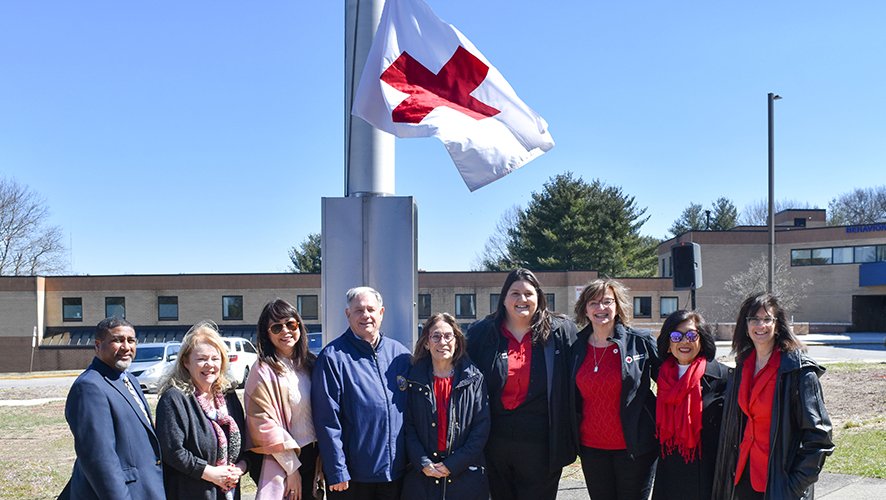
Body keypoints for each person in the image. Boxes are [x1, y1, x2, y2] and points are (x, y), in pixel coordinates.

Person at [466, 268, 577, 500]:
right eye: (515, 293)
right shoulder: (481, 333)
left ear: (539, 298)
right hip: (494, 441)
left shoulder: (560, 331)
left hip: (542, 443)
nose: (522, 299)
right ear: (504, 298)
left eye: (528, 293)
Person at [713, 293, 834, 500]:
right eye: (754, 319)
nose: (760, 325)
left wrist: (794, 486)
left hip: (779, 483)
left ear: (778, 326)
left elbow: (819, 438)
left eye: (767, 319)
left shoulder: (798, 371)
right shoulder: (743, 367)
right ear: (745, 325)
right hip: (743, 477)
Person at [312, 286, 412, 499]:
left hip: (397, 473)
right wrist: (337, 470)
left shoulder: (401, 356)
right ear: (348, 314)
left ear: (381, 313)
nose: (366, 315)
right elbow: (327, 420)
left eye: (371, 309)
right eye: (358, 310)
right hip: (353, 478)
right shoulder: (333, 358)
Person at [570, 278, 660, 500]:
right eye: (593, 302)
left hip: (635, 448)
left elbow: (669, 381)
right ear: (585, 309)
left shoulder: (640, 342)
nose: (601, 308)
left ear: (618, 306)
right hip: (592, 449)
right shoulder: (574, 347)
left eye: (607, 301)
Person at [62, 317, 164, 500]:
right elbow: (100, 460)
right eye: (117, 340)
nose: (126, 347)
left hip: (145, 488)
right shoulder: (89, 387)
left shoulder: (128, 379)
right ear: (98, 345)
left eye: (131, 340)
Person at [156, 321, 249, 500]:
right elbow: (173, 452)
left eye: (215, 358)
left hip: (228, 492)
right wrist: (211, 474)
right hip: (190, 492)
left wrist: (240, 469)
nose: (209, 364)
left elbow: (245, 446)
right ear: (186, 362)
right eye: (201, 359)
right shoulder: (174, 399)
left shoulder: (228, 396)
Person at [402, 313, 491, 500]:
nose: (442, 342)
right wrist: (422, 462)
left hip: (465, 476)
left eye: (448, 336)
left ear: (457, 341)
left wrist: (454, 464)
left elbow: (481, 429)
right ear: (426, 343)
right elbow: (407, 426)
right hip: (423, 476)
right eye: (436, 336)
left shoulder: (474, 379)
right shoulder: (413, 379)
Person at [244, 299, 320, 500]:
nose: (285, 331)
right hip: (283, 460)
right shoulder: (262, 371)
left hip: (313, 456)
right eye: (276, 327)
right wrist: (292, 469)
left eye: (290, 324)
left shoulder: (311, 364)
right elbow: (263, 425)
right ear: (267, 334)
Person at [651, 310, 729, 500]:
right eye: (676, 336)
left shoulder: (724, 378)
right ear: (668, 344)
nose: (684, 341)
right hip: (669, 474)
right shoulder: (660, 376)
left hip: (707, 476)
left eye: (692, 335)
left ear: (702, 340)